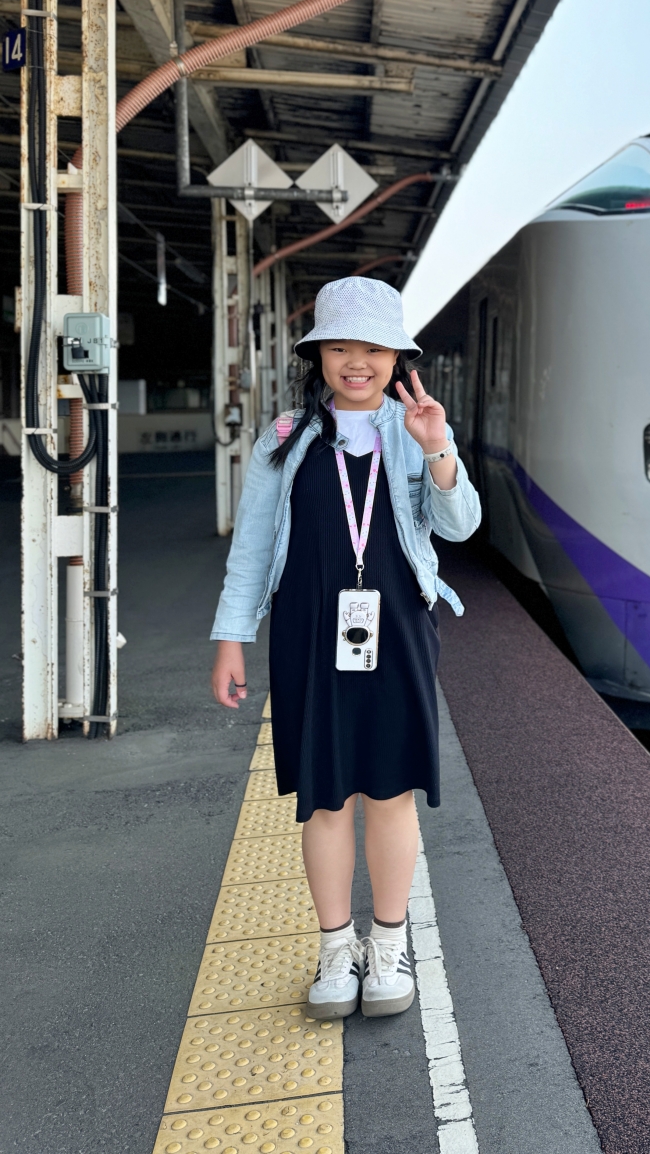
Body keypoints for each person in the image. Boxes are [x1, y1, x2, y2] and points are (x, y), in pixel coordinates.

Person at [209, 276, 481, 1019]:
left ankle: (387, 946)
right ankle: (336, 950)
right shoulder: (286, 438)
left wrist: (438, 451)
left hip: (396, 631)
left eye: (372, 348)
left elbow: (458, 527)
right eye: (339, 346)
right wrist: (232, 637)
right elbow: (254, 547)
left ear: (397, 357)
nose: (355, 361)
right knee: (325, 799)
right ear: (318, 355)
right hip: (308, 633)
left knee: (390, 792)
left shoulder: (417, 426)